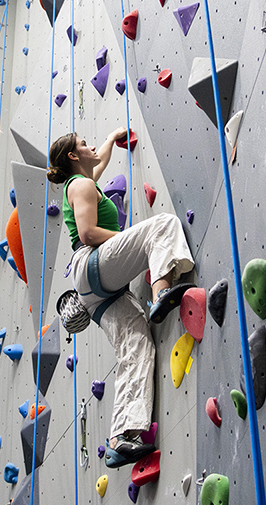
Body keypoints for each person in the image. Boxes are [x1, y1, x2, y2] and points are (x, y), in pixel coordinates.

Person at [46, 128, 196, 468]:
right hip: (91, 265)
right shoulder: (81, 186)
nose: (90, 146)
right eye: (83, 144)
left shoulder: (84, 182)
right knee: (160, 226)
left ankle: (120, 437)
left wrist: (113, 139)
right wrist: (131, 238)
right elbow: (87, 234)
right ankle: (160, 294)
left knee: (137, 345)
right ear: (72, 157)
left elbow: (97, 166)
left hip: (96, 294)